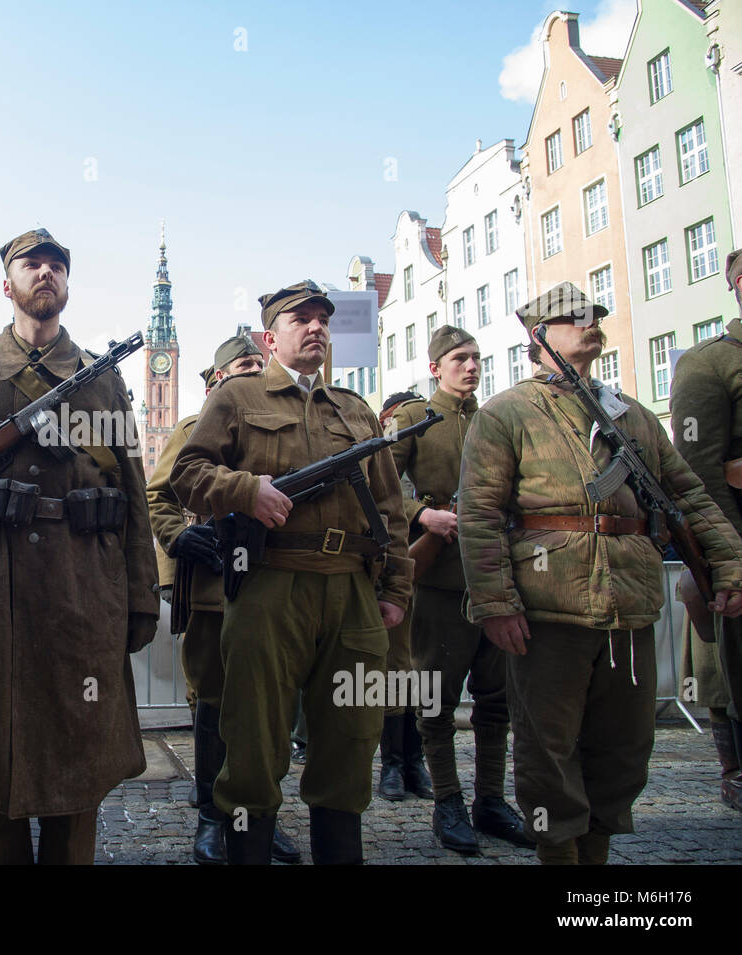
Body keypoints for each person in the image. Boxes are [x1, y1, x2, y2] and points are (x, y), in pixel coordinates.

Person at [459, 281, 742, 864]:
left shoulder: (630, 415)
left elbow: (689, 495)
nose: (590, 323)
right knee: (548, 752)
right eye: (572, 317)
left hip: (630, 605)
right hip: (546, 608)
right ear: (537, 336)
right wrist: (495, 603)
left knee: (623, 751)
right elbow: (480, 514)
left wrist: (730, 565)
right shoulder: (507, 412)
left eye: (595, 315)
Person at [0, 228, 158, 864]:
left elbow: (132, 492)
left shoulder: (100, 381)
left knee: (79, 768)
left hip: (84, 588)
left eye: (56, 266)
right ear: (8, 284)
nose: (44, 273)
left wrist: (139, 599)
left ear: (68, 286)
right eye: (31, 265)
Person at [171, 279, 412, 864]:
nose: (316, 327)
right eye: (300, 318)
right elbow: (186, 472)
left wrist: (396, 588)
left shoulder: (354, 411)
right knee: (253, 746)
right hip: (269, 585)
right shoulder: (237, 399)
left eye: (323, 319)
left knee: (350, 745)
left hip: (351, 589)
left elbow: (391, 509)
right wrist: (244, 490)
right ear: (270, 336)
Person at [148, 334, 300, 864]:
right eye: (242, 364)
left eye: (259, 362)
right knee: (213, 702)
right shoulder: (193, 429)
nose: (255, 369)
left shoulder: (291, 421)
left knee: (271, 706)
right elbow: (158, 495)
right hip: (215, 586)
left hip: (277, 581)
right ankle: (213, 817)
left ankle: (262, 817)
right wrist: (175, 535)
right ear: (216, 379)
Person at [387, 327, 531, 853]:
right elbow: (381, 485)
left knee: (497, 701)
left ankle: (490, 800)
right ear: (435, 367)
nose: (470, 367)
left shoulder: (498, 418)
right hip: (442, 580)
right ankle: (447, 802)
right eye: (458, 359)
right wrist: (422, 514)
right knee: (436, 700)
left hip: (498, 579)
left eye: (475, 358)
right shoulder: (414, 419)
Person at [669, 248, 742, 812]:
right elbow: (697, 477)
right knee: (729, 670)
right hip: (737, 541)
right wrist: (725, 558)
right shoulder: (709, 363)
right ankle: (735, 771)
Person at [374, 391, 433, 804]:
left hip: (432, 567)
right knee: (394, 670)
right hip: (398, 564)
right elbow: (386, 500)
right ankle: (392, 763)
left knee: (421, 670)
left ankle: (416, 760)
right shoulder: (386, 453)